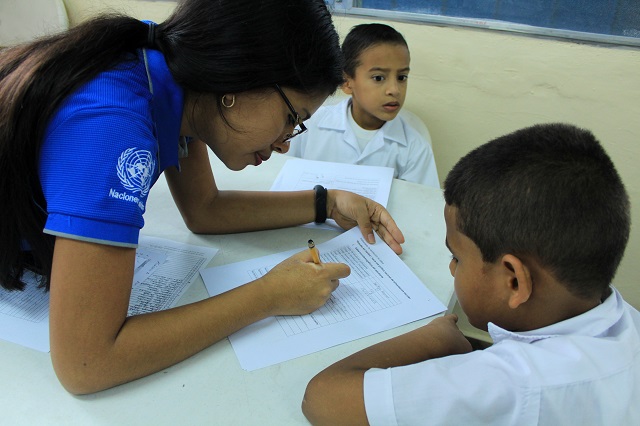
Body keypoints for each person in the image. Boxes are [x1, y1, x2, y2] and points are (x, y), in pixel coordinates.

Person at [0, 0, 406, 395]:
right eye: (291, 118)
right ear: (236, 82)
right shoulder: (114, 124)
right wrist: (267, 296)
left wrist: (328, 202)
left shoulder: (175, 81)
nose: (285, 144)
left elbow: (204, 209)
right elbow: (86, 363)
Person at [302, 123, 640, 425]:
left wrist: (435, 339)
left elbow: (323, 398)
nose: (451, 267)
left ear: (514, 281)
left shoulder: (513, 385)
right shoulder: (625, 321)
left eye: (456, 258)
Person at [286, 23, 439, 188]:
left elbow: (421, 204)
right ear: (346, 82)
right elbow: (282, 176)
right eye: (378, 78)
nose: (394, 90)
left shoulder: (415, 147)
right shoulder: (310, 125)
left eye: (402, 77)